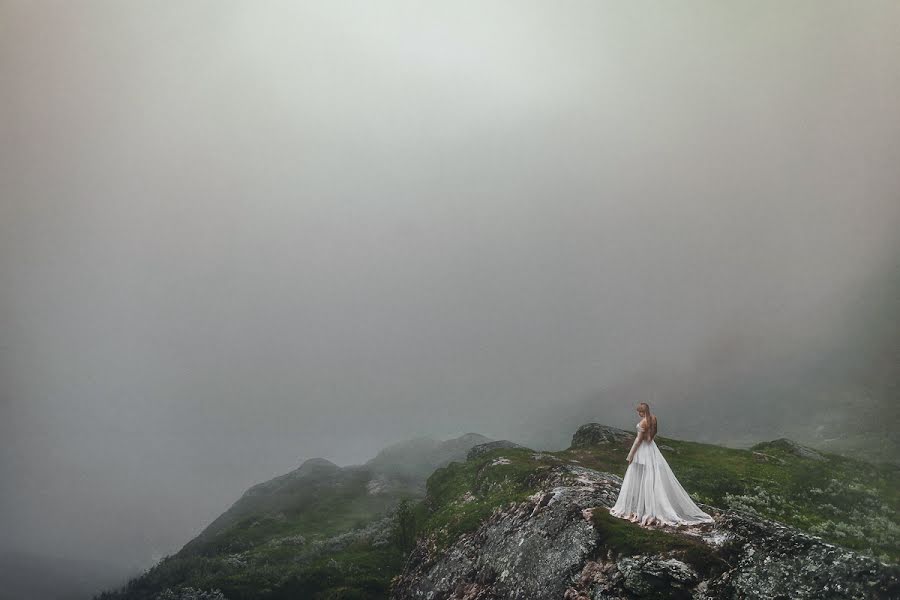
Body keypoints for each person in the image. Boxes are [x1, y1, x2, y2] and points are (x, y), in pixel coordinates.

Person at [608, 402, 714, 527]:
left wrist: (631, 455)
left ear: (643, 412)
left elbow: (638, 440)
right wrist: (650, 438)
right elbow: (654, 431)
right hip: (652, 448)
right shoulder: (653, 418)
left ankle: (643, 506)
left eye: (639, 412)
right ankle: (648, 502)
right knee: (652, 474)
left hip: (642, 450)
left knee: (639, 474)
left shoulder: (643, 422)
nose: (638, 414)